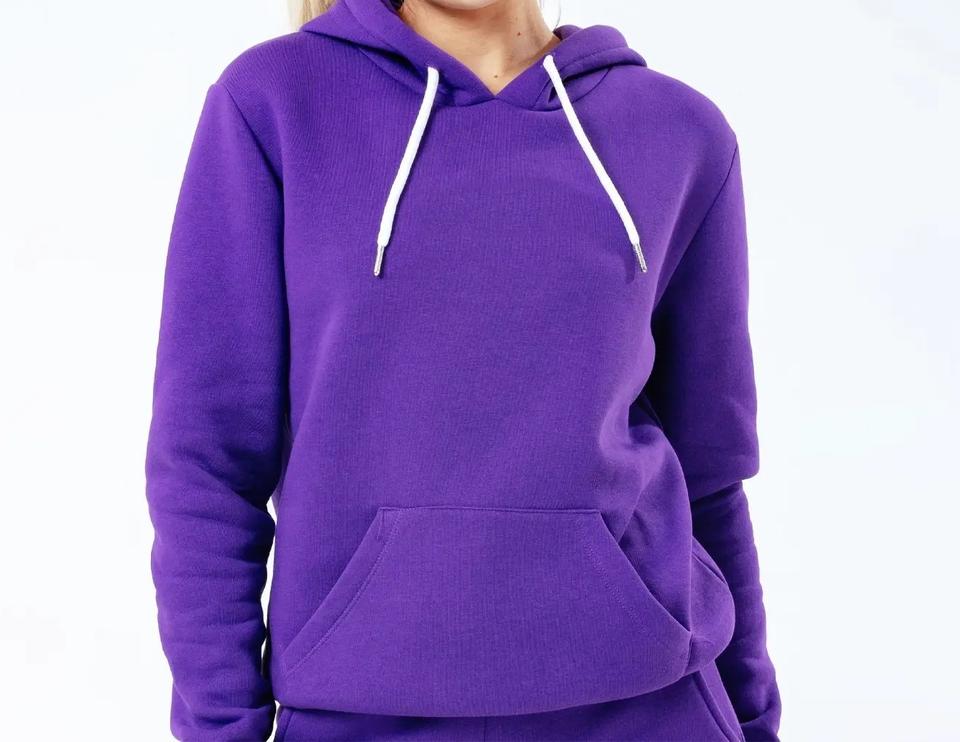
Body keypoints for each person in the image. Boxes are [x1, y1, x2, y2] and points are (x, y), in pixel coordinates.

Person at [145, 0, 781, 739]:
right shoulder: (276, 104)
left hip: (650, 704)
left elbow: (711, 472)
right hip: (361, 712)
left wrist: (755, 720)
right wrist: (221, 727)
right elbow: (206, 460)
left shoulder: (679, 132)